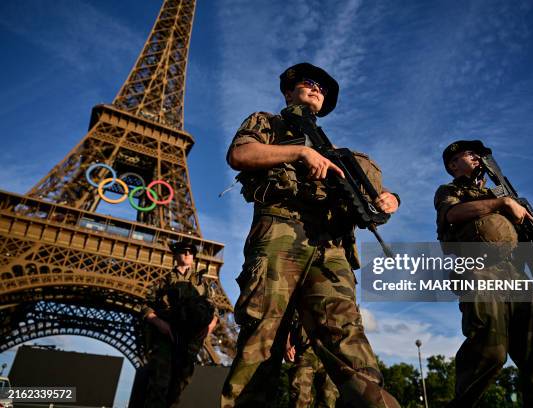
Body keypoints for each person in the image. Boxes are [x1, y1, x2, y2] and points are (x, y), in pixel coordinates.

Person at [221, 62, 401, 408]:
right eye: (308, 83)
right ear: (288, 92)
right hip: (280, 231)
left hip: (331, 245)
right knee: (263, 337)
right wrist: (300, 152)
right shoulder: (268, 122)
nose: (317, 88)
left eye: (323, 87)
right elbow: (240, 154)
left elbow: (369, 201)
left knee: (347, 337)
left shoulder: (336, 151)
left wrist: (390, 199)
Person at [434, 140, 533, 408]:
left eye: (478, 154)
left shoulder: (502, 192)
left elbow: (520, 245)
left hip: (516, 277)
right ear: (452, 164)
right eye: (469, 153)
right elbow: (452, 215)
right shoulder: (451, 190)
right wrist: (501, 203)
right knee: (490, 352)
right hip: (479, 272)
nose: (476, 157)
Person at [142, 240, 218, 408]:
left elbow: (214, 309)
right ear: (175, 255)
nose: (187, 254)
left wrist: (209, 327)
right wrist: (158, 322)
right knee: (159, 383)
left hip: (190, 339)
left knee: (180, 385)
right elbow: (146, 306)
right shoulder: (162, 282)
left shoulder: (203, 283)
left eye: (190, 252)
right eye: (183, 251)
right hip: (166, 336)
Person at [285, 314, 339, 408]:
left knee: (329, 398)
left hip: (329, 354)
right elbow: (285, 322)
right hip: (304, 353)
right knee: (300, 399)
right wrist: (287, 346)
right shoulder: (298, 299)